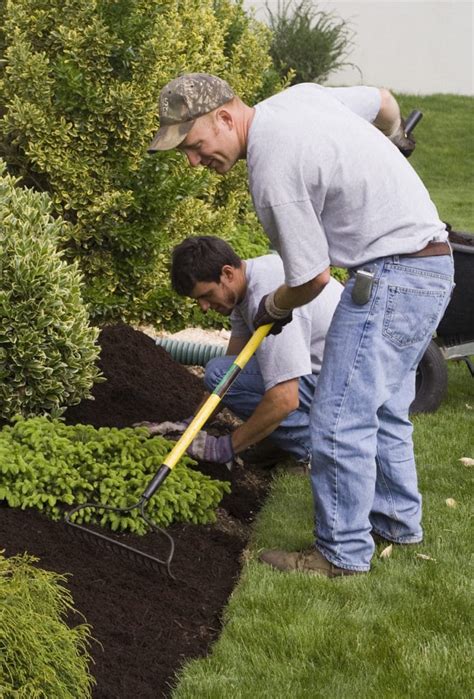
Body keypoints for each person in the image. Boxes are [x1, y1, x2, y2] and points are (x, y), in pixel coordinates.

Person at [148, 73, 454, 578]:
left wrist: (271, 306)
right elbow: (382, 101)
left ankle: (340, 554)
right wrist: (395, 138)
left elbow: (310, 279)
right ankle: (398, 523)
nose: (193, 161)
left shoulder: (270, 168)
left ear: (225, 117)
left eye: (195, 145)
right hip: (429, 265)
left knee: (337, 420)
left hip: (390, 275)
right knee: (387, 409)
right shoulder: (300, 100)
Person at [147, 235, 342, 470]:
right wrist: (191, 427)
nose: (204, 307)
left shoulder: (269, 297)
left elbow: (285, 399)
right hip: (322, 375)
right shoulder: (244, 289)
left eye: (206, 295)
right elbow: (230, 376)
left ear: (227, 273)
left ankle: (321, 450)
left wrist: (224, 447)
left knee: (221, 374)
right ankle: (281, 440)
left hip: (340, 387)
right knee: (222, 372)